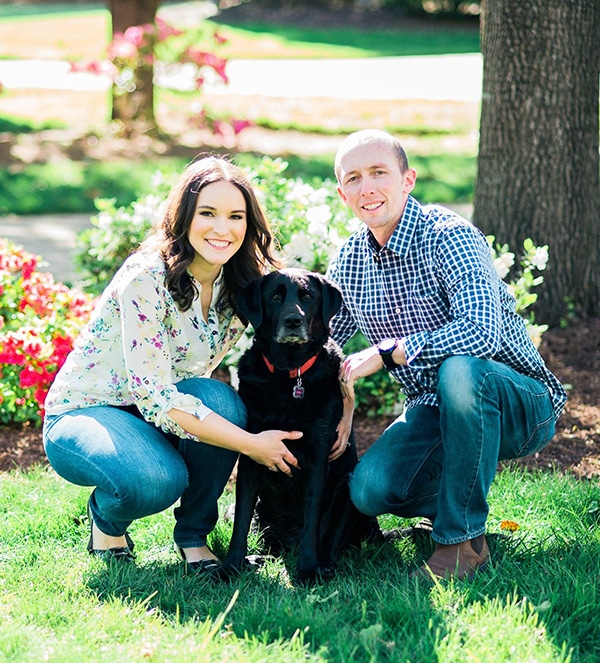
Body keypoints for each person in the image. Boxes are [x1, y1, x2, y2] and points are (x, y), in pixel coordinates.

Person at [326, 129, 567, 580]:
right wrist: (341, 404)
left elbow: (481, 335)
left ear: (408, 179)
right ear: (343, 193)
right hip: (433, 411)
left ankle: (457, 542)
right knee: (371, 490)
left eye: (379, 172)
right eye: (354, 178)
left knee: (458, 370)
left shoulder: (449, 236)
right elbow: (327, 347)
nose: (368, 188)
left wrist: (391, 352)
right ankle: (461, 509)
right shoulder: (348, 261)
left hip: (517, 402)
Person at [43, 156, 301, 575]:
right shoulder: (146, 277)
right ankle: (107, 521)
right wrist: (250, 443)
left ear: (249, 225)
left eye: (236, 216)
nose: (223, 228)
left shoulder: (240, 286)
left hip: (155, 409)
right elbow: (156, 397)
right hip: (86, 411)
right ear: (184, 216)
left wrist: (341, 382)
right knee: (155, 481)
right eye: (208, 213)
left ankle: (194, 538)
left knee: (222, 400)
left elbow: (296, 333)